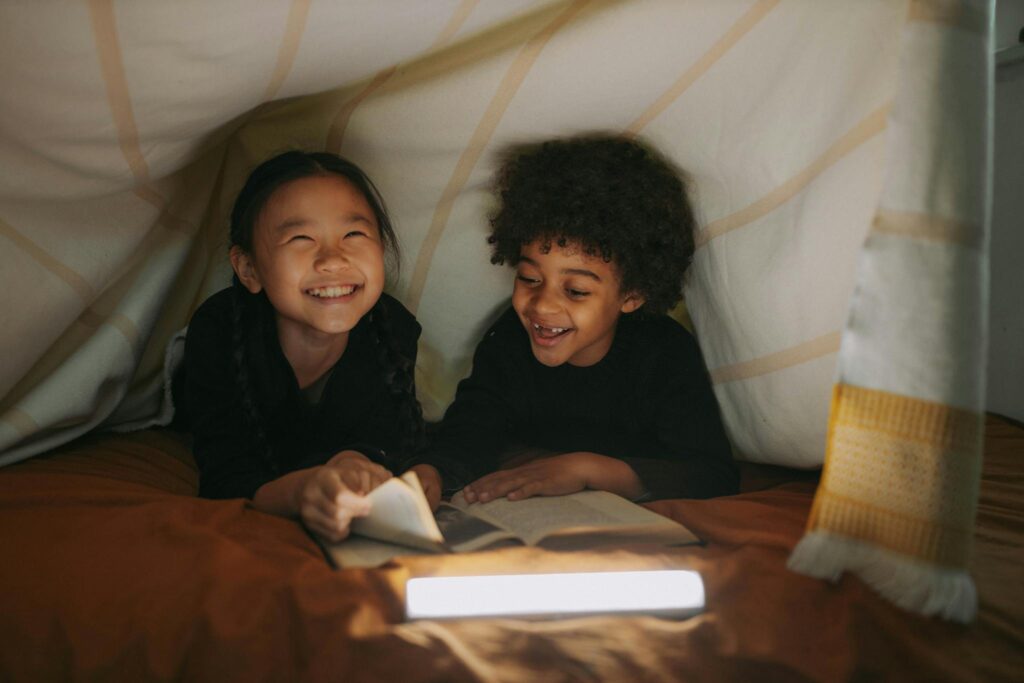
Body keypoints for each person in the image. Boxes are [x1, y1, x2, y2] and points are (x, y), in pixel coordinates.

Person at [412, 134, 738, 505]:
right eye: (530, 278)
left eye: (577, 291)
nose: (543, 306)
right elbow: (471, 429)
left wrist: (585, 469)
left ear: (632, 296)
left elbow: (711, 474)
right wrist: (434, 471)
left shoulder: (664, 355)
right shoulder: (509, 340)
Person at [176, 150, 434, 542]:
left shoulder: (392, 330)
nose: (332, 259)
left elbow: (383, 438)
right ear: (248, 268)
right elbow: (226, 476)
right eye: (301, 239)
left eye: (353, 235)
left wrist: (353, 464)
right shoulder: (218, 332)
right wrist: (303, 491)